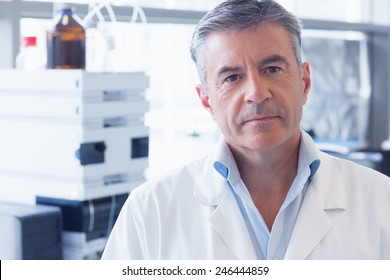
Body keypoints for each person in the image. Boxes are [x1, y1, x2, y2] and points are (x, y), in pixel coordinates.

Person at [101, 0, 390, 260]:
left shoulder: (380, 201)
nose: (256, 93)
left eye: (273, 69)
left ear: (304, 82)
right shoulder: (150, 211)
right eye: (232, 77)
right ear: (207, 101)